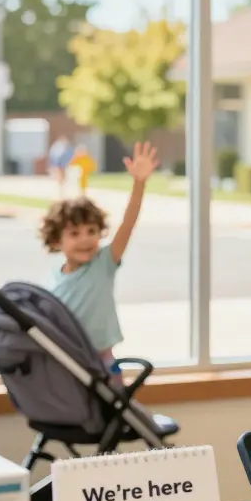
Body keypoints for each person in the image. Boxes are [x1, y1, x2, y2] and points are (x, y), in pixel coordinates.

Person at [41, 141, 158, 370]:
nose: (85, 239)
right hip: (65, 360)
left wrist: (139, 183)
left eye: (91, 231)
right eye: (74, 233)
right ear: (57, 241)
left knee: (108, 403)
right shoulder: (53, 278)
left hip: (102, 358)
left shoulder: (104, 263)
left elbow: (128, 223)